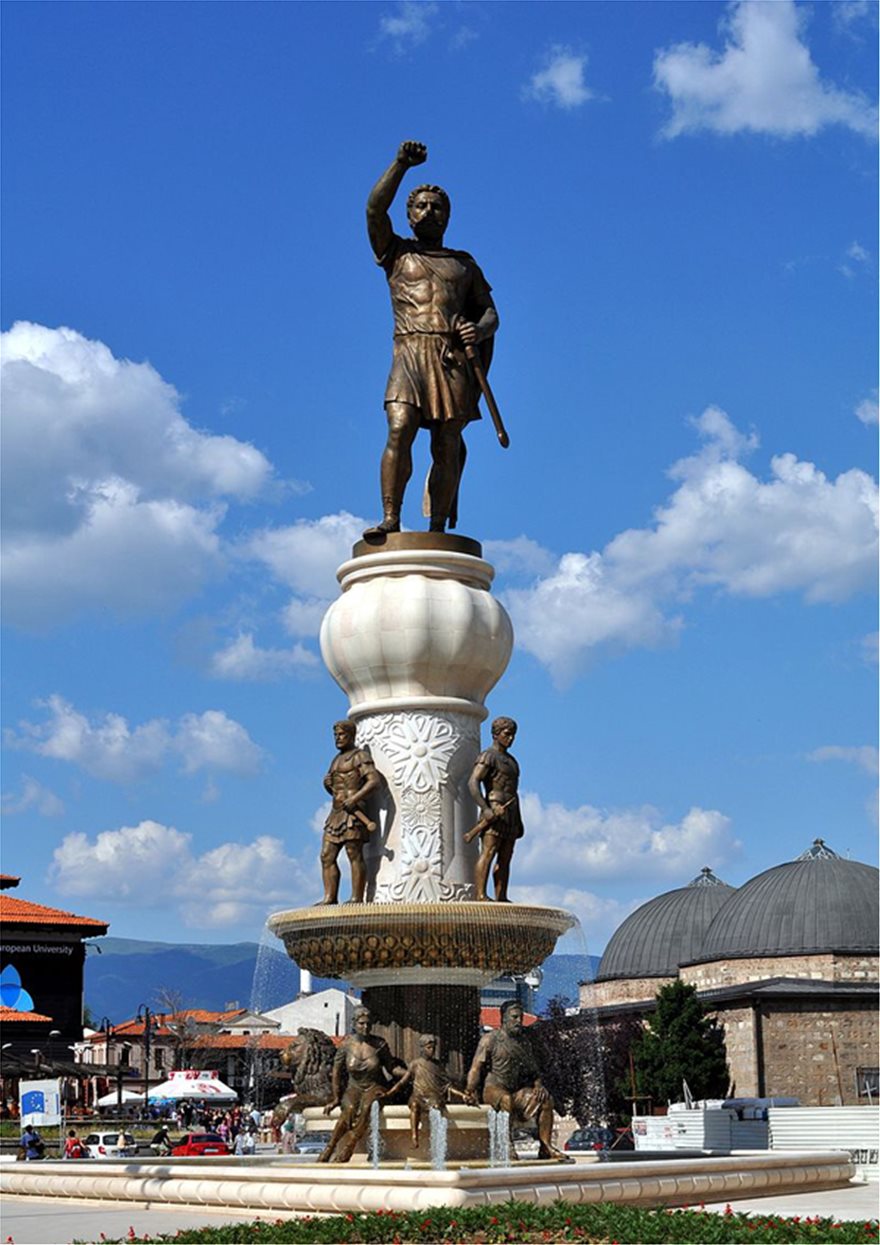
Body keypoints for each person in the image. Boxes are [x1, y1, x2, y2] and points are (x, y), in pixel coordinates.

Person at [365, 140, 499, 536]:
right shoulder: (396, 253)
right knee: (399, 427)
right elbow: (374, 210)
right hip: (409, 351)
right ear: (408, 215)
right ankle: (390, 518)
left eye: (437, 207)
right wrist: (400, 165)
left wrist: (479, 329)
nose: (428, 211)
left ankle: (437, 527)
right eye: (421, 206)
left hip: (449, 358)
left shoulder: (463, 265)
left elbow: (490, 313)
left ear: (448, 217)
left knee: (446, 442)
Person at [465, 1001, 566, 1161]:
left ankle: (545, 1147)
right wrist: (470, 1090)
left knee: (545, 1099)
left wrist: (538, 1085)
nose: (519, 1021)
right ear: (503, 1018)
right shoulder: (490, 1039)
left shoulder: (524, 1042)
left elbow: (534, 1071)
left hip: (516, 1091)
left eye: (520, 1018)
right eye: (514, 1017)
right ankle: (506, 1145)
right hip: (494, 1088)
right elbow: (476, 1068)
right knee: (506, 1099)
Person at [320, 1006, 405, 1164]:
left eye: (368, 1024)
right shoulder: (346, 1045)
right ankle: (330, 1147)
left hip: (375, 1086)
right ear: (354, 1023)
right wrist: (336, 1098)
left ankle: (350, 1146)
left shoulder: (380, 1044)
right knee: (350, 1108)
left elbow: (391, 1068)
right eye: (361, 1023)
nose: (365, 1027)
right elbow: (336, 1072)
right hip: (354, 1087)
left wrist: (409, 1073)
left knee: (367, 1107)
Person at [317, 720, 381, 905]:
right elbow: (336, 789)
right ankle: (330, 897)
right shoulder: (336, 760)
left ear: (351, 736)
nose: (338, 738)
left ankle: (357, 897)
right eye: (335, 735)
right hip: (336, 812)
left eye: (342, 734)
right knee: (326, 855)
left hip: (354, 812)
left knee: (353, 852)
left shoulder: (359, 756)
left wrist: (355, 798)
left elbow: (374, 781)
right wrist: (327, 785)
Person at [468, 716, 524, 902]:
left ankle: (502, 897)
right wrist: (485, 809)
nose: (511, 738)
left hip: (511, 811)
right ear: (495, 734)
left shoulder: (512, 761)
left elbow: (514, 792)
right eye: (507, 734)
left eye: (513, 735)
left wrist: (519, 819)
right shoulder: (488, 756)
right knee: (489, 852)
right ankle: (480, 894)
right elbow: (473, 783)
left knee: (506, 857)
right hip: (494, 807)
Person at [386, 1033, 468, 1149]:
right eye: (429, 1047)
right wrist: (388, 1093)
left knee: (436, 1107)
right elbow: (402, 1082)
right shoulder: (415, 1064)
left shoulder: (437, 1065)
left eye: (433, 1047)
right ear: (422, 1048)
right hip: (418, 1096)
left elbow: (447, 1086)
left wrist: (463, 1095)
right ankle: (414, 1136)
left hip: (433, 1096)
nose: (432, 1050)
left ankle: (438, 1141)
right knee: (414, 1105)